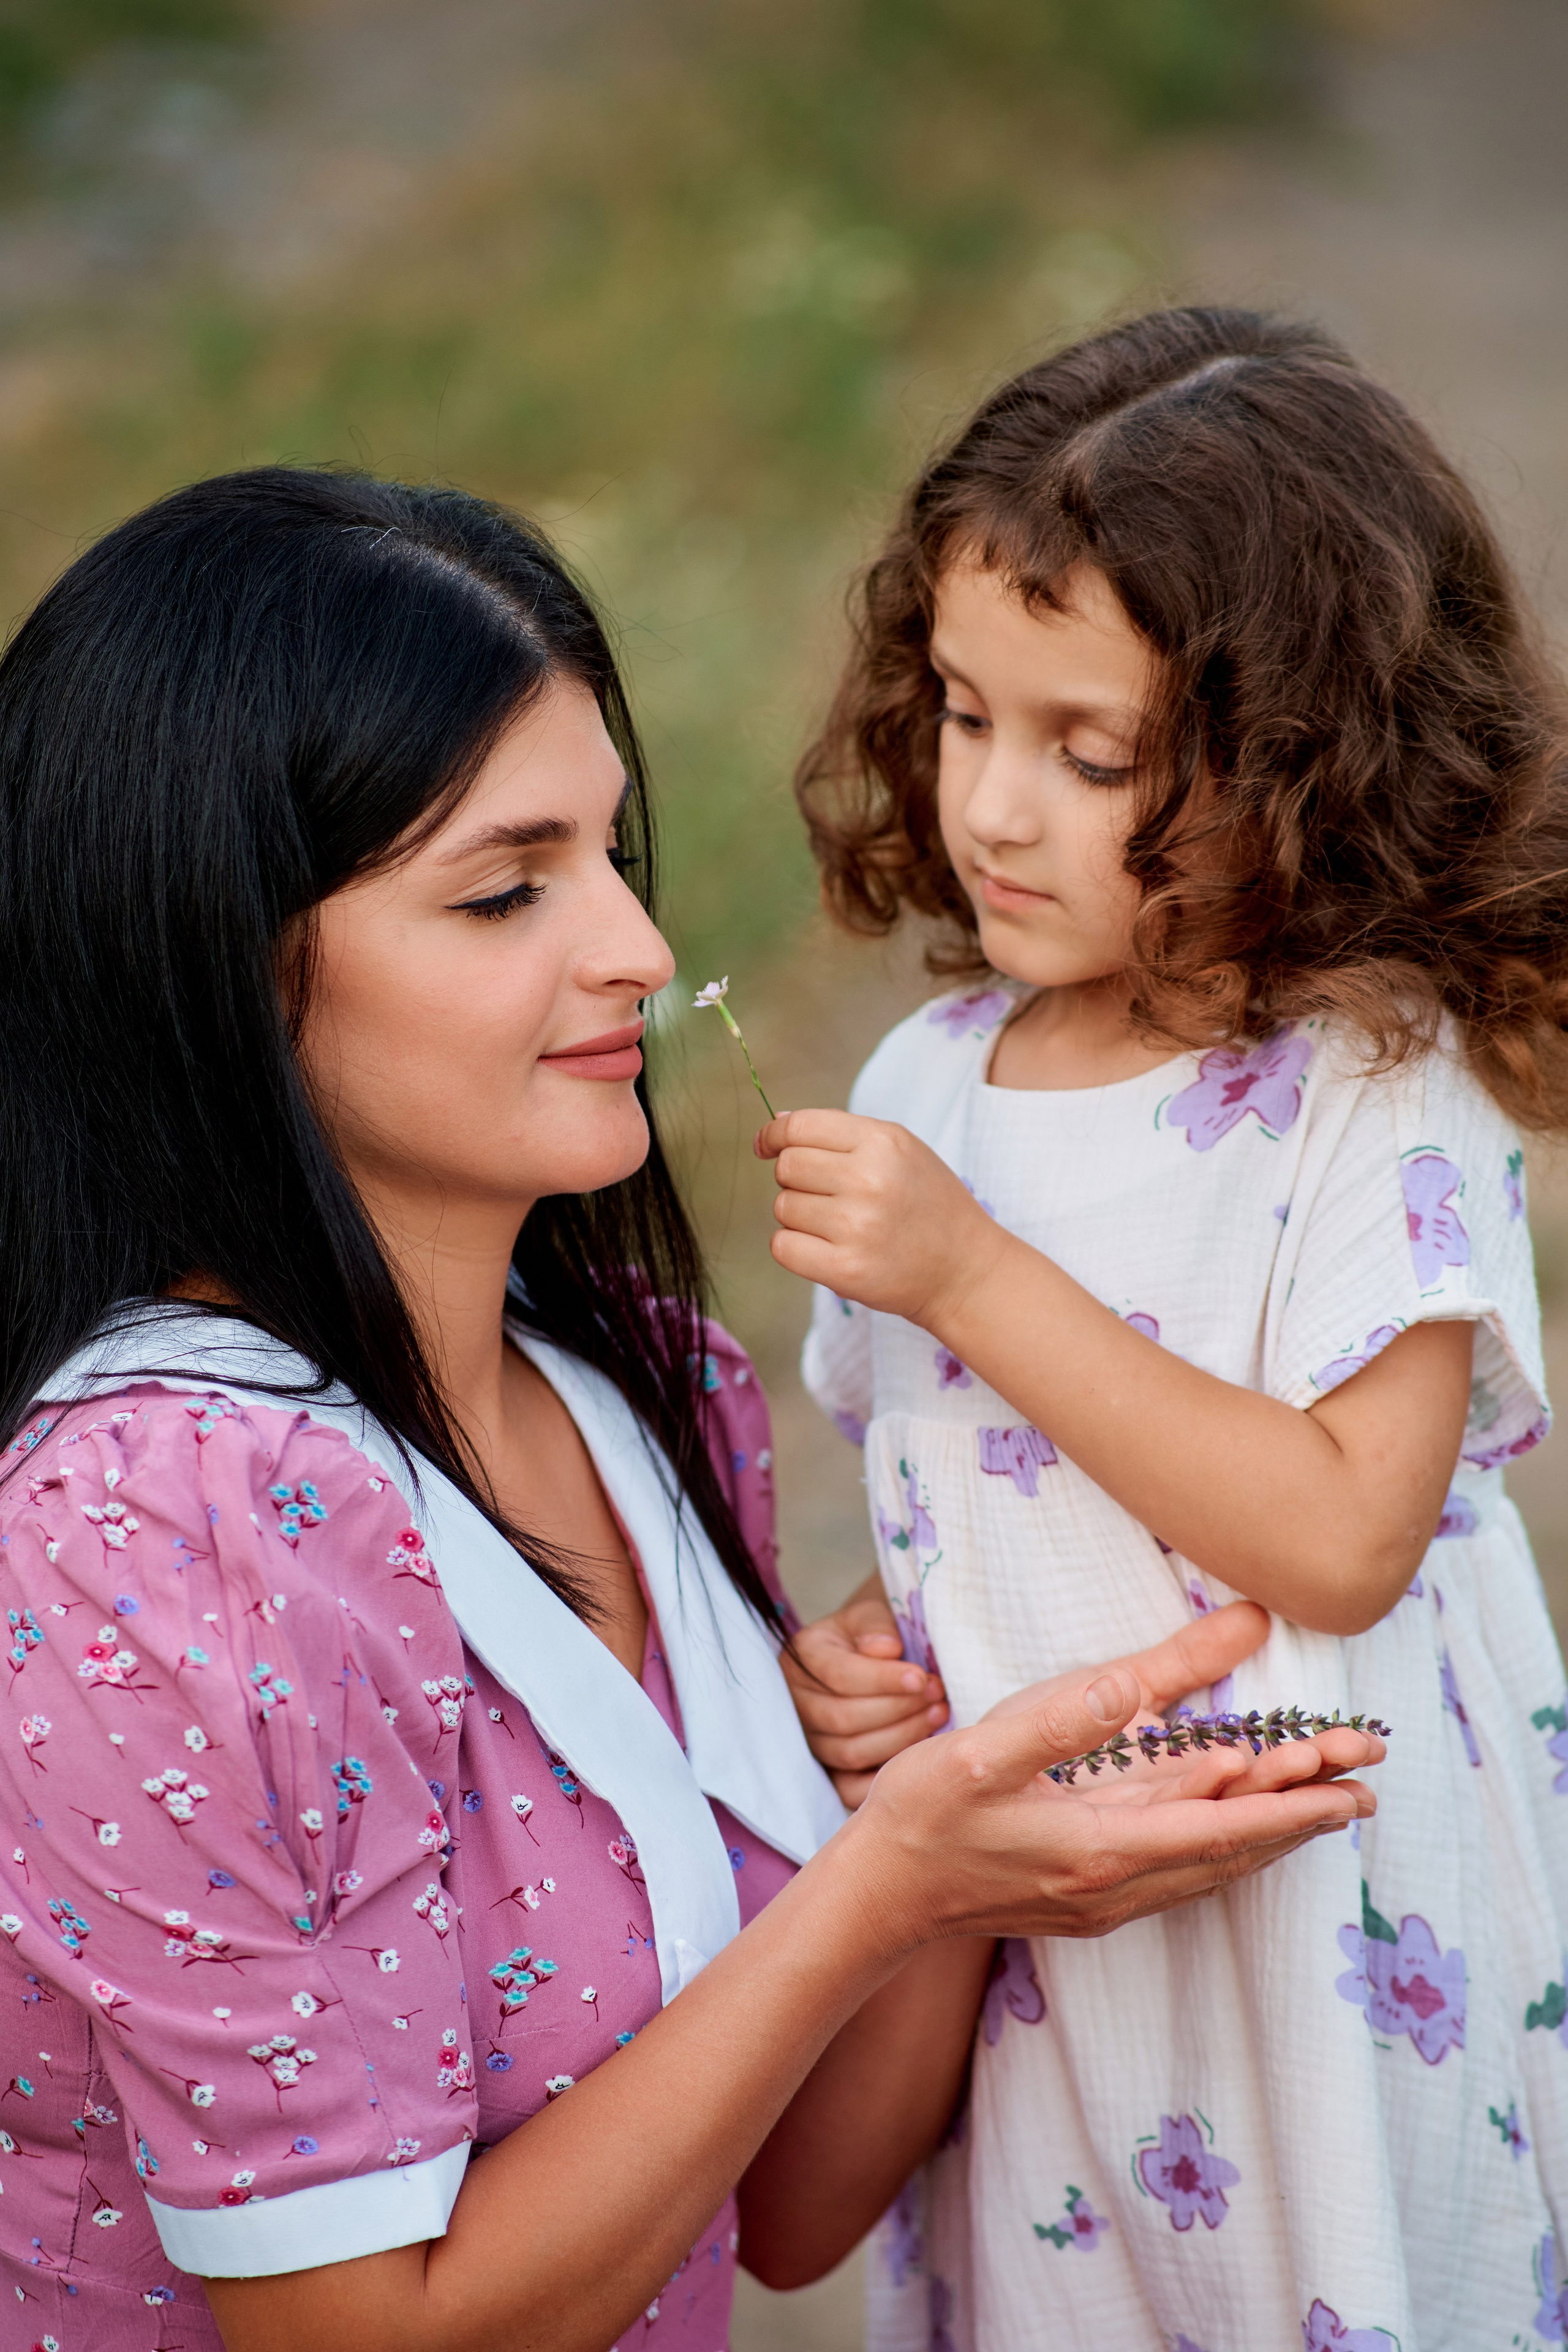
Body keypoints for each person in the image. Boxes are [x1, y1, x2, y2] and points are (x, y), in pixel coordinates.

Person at [0, 466, 1379, 2352]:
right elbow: (358, 2337)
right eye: (505, 889)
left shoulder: (648, 1391)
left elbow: (793, 2207)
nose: (641, 954)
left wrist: (965, 1797)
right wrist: (893, 1880)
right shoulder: (155, 1523)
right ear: (207, 965)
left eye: (609, 856)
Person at [771, 307, 1568, 2350]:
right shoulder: (934, 1087)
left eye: (1092, 752)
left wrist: (970, 1274)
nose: (998, 811)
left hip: (1327, 1936)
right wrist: (872, 1655)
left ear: (1315, 753)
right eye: (963, 716)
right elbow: (960, 1498)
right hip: (1051, 1952)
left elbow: (1339, 1534)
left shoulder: (1369, 1081)